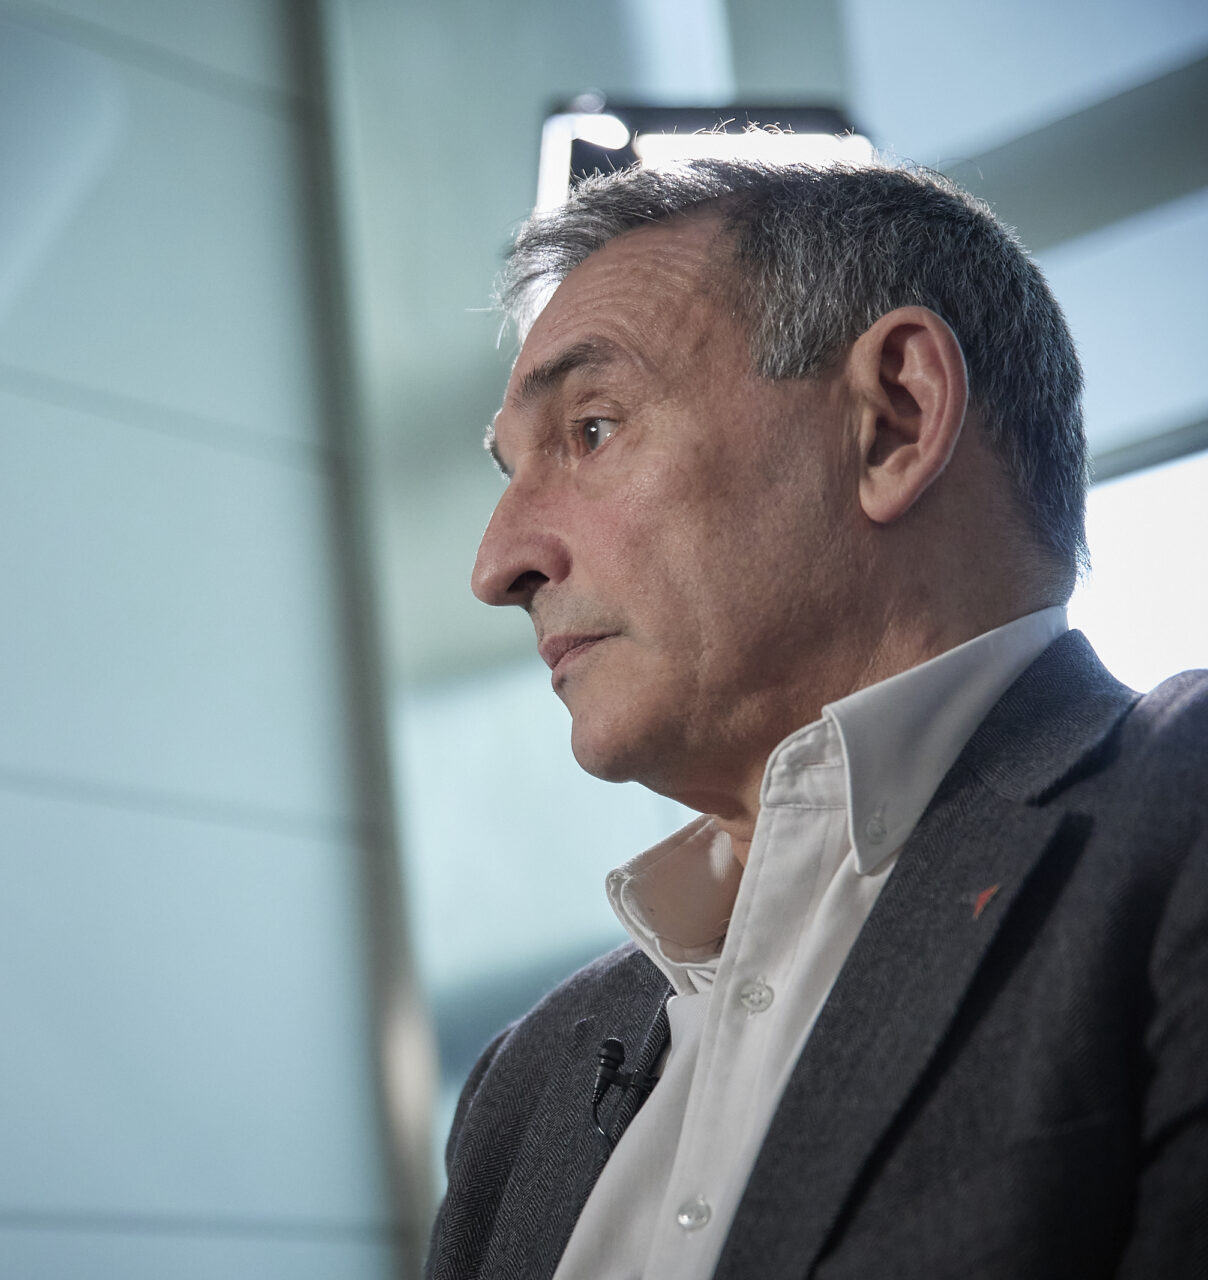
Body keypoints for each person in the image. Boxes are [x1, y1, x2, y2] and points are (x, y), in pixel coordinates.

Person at [427, 159, 1206, 1280]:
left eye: (592, 429)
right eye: (511, 471)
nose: (497, 566)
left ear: (894, 419)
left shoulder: (1180, 820)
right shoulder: (524, 1087)